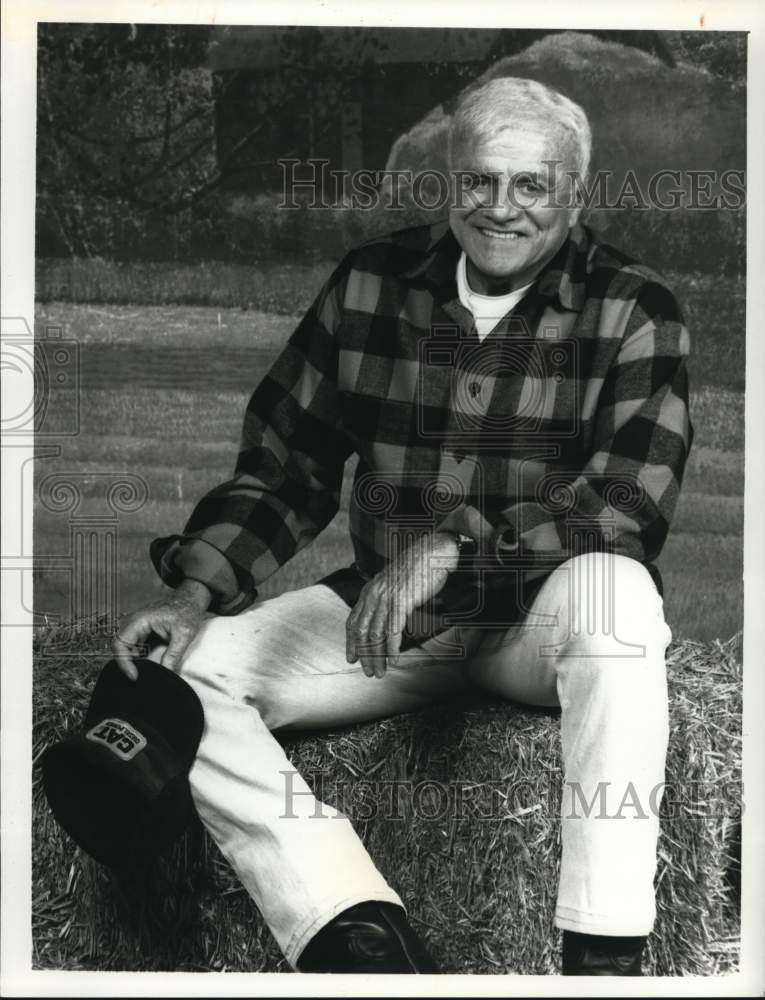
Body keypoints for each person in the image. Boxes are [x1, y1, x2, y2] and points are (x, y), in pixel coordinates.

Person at [114, 76, 692, 975]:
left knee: (618, 599)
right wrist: (197, 590)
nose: (500, 209)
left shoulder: (632, 305)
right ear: (450, 182)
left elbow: (623, 505)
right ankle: (357, 937)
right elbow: (286, 463)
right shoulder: (371, 283)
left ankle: (602, 955)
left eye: (531, 186)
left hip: (534, 621)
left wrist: (459, 539)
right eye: (479, 181)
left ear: (574, 197)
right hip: (386, 626)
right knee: (176, 678)